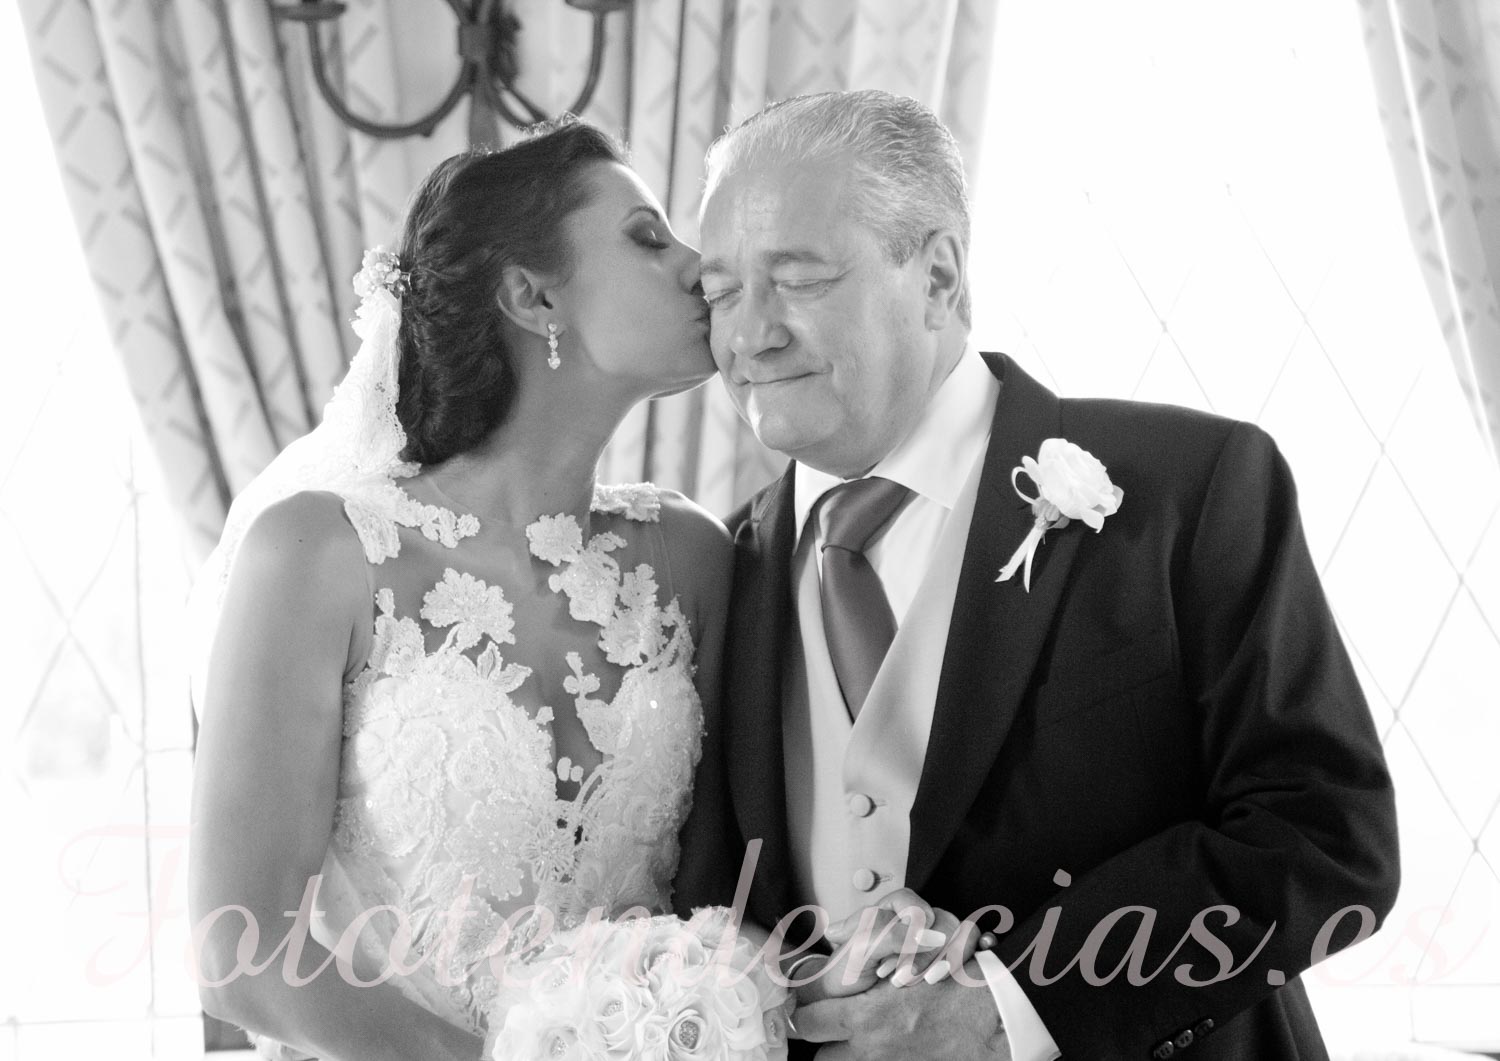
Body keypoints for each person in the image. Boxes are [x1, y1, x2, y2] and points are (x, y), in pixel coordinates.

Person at [690, 88, 1401, 1060]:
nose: (749, 334)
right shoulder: (714, 572)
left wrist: (1012, 1008)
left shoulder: (1190, 488)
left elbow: (1325, 833)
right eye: (720, 292)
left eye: (798, 278)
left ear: (938, 277)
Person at [187, 119, 738, 1060]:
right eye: (649, 238)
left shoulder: (688, 557)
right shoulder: (321, 554)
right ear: (532, 295)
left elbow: (717, 897)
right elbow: (240, 957)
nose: (703, 268)